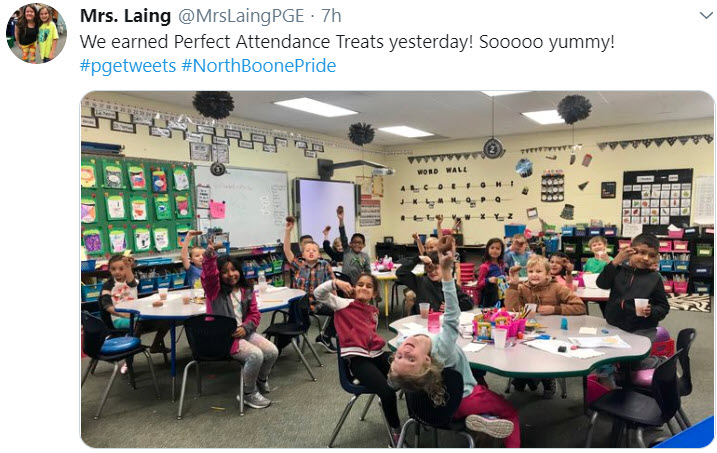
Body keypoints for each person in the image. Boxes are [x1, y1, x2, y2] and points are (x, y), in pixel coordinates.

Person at [389, 246, 520, 447]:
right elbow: (452, 313)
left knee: (479, 380)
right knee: (510, 411)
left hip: (437, 402)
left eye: (399, 357)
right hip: (464, 397)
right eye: (411, 359)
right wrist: (447, 273)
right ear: (427, 360)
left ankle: (483, 418)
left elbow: (399, 359)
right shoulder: (442, 347)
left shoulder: (402, 343)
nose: (404, 351)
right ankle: (486, 420)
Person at [314, 274, 402, 446]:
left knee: (409, 367)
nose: (363, 288)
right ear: (354, 288)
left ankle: (416, 414)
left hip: (376, 354)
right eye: (360, 284)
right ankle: (396, 431)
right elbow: (319, 294)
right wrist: (335, 283)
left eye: (369, 286)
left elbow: (371, 336)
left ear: (374, 293)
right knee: (387, 392)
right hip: (358, 360)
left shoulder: (373, 312)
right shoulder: (343, 304)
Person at [201, 240, 279, 409]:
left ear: (239, 271)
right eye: (224, 272)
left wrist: (245, 328)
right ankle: (248, 393)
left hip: (244, 332)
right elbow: (209, 275)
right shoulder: (214, 291)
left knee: (272, 351)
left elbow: (254, 314)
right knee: (255, 355)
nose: (230, 274)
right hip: (224, 338)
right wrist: (209, 255)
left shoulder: (246, 289)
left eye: (233, 269)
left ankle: (260, 379)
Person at [505, 255, 586, 398]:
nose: (534, 275)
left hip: (552, 333)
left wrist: (555, 309)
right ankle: (525, 376)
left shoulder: (557, 288)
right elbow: (512, 309)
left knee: (545, 354)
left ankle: (547, 378)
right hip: (528, 332)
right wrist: (513, 286)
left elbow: (580, 307)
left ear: (548, 274)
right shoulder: (522, 288)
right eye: (531, 271)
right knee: (518, 350)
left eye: (539, 271)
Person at [99, 254, 170, 372]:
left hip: (137, 316)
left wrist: (128, 266)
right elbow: (107, 306)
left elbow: (131, 282)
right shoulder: (107, 285)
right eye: (113, 269)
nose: (117, 272)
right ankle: (128, 360)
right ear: (109, 270)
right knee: (138, 324)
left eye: (121, 268)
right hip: (118, 319)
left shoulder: (132, 281)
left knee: (165, 320)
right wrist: (123, 314)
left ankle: (156, 345)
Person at [596, 233, 669, 334]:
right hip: (614, 325)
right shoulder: (618, 271)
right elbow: (602, 284)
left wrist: (652, 311)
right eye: (642, 252)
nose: (646, 258)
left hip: (642, 329)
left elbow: (663, 307)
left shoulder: (654, 278)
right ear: (630, 251)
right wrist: (615, 262)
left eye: (652, 256)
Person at [283, 218, 336, 351]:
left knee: (341, 310)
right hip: (301, 306)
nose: (311, 252)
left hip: (318, 304)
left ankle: (325, 337)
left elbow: (332, 284)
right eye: (307, 250)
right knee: (299, 323)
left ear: (319, 253)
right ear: (303, 254)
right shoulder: (299, 265)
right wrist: (288, 231)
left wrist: (336, 301)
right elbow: (287, 250)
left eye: (314, 250)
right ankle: (283, 343)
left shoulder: (324, 265)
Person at [396, 251, 474, 315]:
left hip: (441, 322)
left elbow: (468, 302)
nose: (432, 272)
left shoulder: (450, 285)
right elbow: (401, 273)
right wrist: (418, 259)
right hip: (423, 322)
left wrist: (452, 306)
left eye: (436, 268)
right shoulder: (420, 282)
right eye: (429, 268)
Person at [476, 238, 506, 307]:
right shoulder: (485, 267)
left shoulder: (502, 264)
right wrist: (488, 280)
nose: (494, 250)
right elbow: (479, 285)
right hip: (490, 299)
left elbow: (502, 276)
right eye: (492, 248)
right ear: (487, 249)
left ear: (501, 251)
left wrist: (506, 277)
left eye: (498, 248)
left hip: (501, 297)